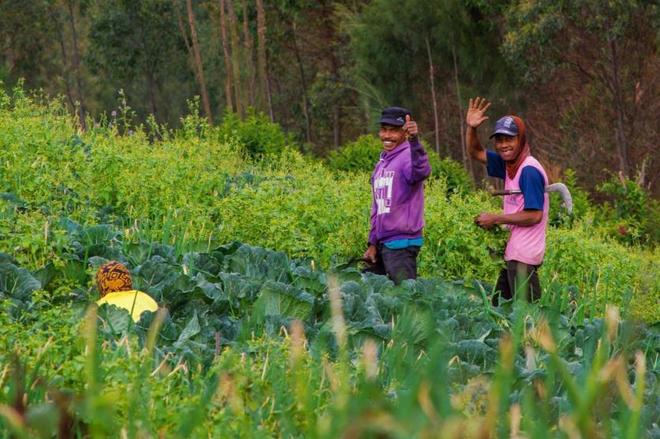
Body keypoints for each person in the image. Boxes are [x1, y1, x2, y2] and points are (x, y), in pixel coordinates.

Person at [465, 97, 549, 304]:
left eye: (509, 139)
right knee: (499, 311)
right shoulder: (509, 165)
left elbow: (534, 215)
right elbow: (475, 152)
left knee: (530, 317)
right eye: (499, 140)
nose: (503, 145)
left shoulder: (528, 170)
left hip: (524, 257)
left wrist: (496, 218)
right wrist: (471, 128)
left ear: (520, 139)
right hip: (513, 255)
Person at [363, 106, 431, 284]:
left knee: (405, 300)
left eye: (393, 131)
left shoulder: (408, 156)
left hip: (402, 244)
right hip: (383, 245)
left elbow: (421, 171)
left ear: (404, 132)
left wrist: (415, 141)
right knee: (375, 296)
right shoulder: (382, 164)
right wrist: (372, 243)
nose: (387, 136)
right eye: (384, 130)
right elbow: (378, 206)